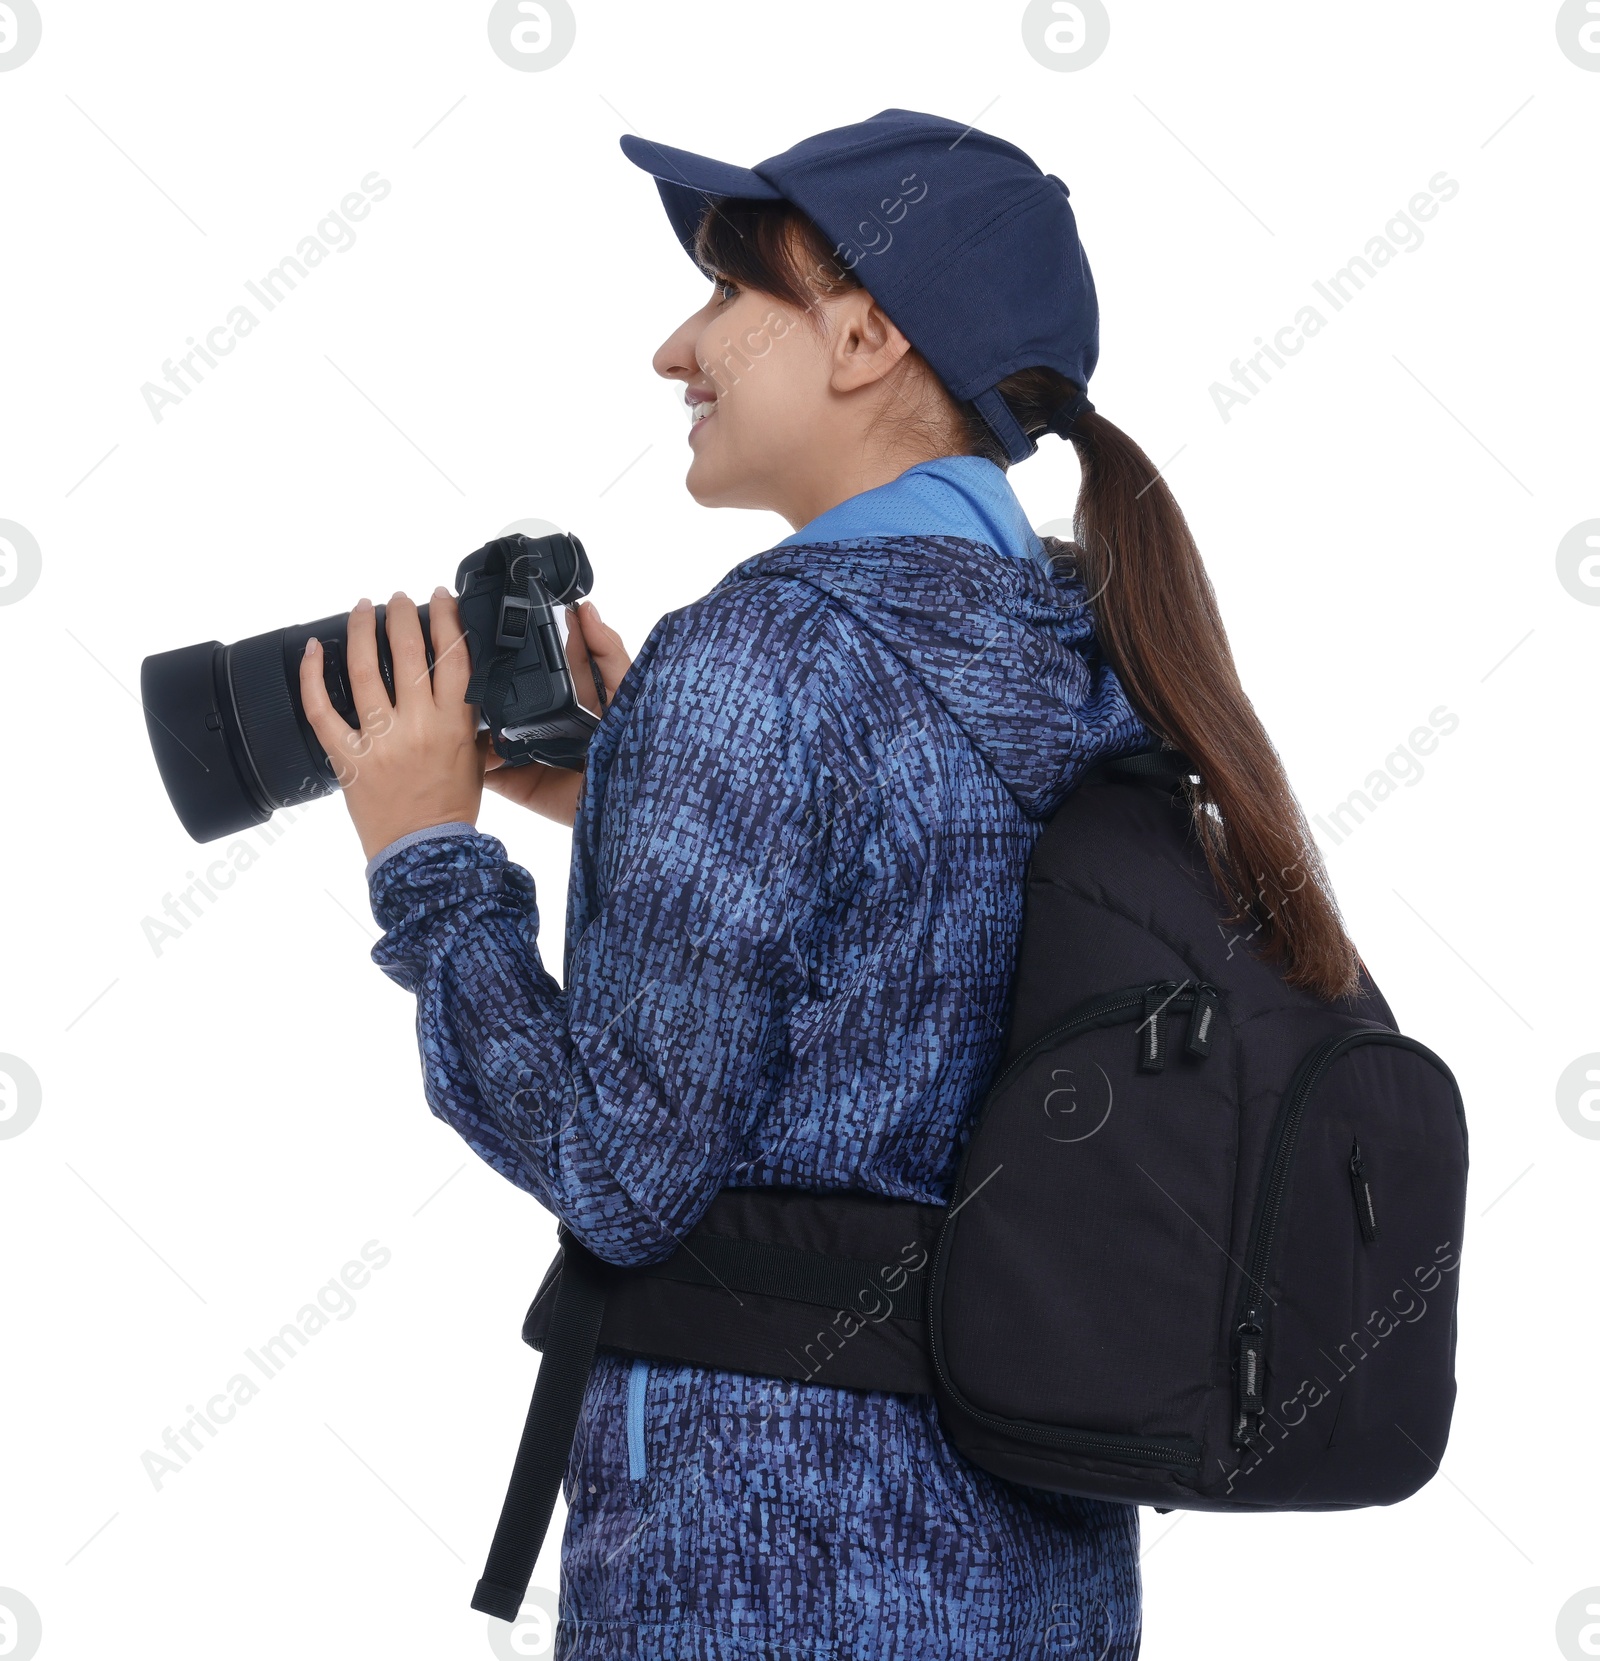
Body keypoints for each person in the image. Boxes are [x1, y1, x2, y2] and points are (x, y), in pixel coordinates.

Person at [298, 109, 1356, 1661]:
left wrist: (428, 860)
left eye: (733, 295)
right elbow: (930, 959)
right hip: (1041, 1563)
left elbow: (621, 1173)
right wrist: (643, 805)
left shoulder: (763, 651)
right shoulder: (1089, 647)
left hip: (760, 1563)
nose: (679, 345)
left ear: (864, 336)